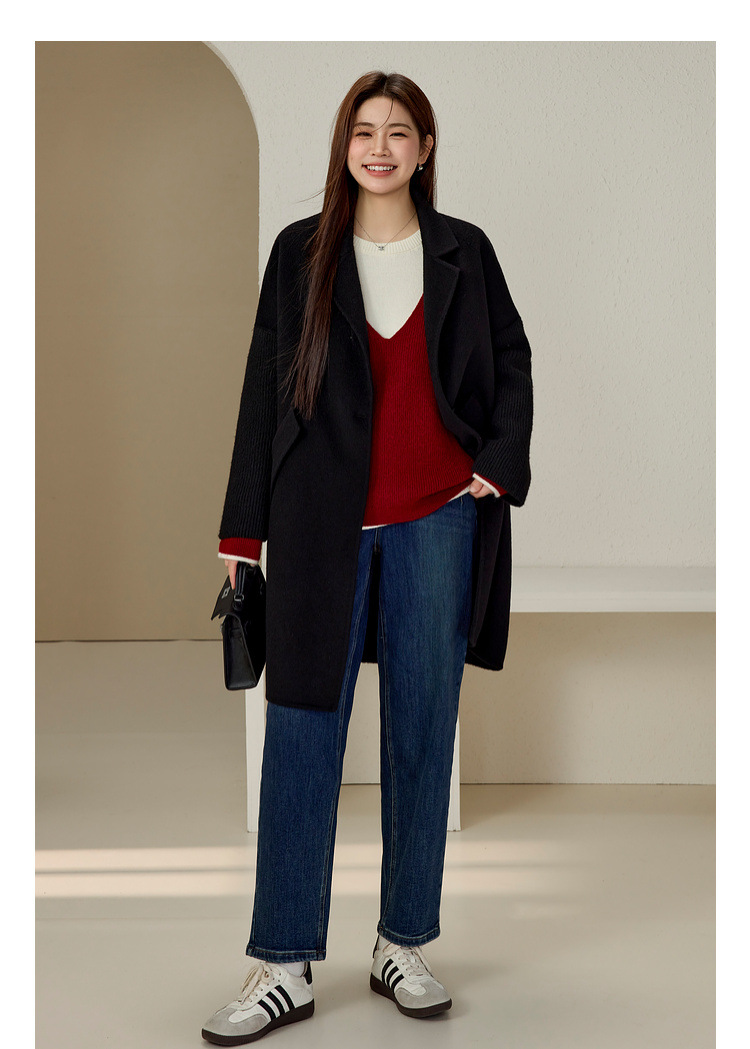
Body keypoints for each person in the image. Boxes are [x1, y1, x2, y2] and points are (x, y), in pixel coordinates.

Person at [202, 70, 533, 1044]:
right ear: (343, 145)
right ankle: (283, 962)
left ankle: (404, 941)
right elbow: (263, 388)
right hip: (317, 525)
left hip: (438, 520)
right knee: (302, 733)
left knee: (424, 728)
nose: (379, 147)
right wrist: (241, 530)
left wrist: (496, 463)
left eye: (398, 131)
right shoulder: (298, 251)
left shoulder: (466, 250)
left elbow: (512, 359)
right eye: (363, 130)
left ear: (425, 149)